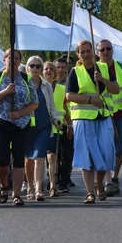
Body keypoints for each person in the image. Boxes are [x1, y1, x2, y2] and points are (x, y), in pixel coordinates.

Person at [65, 40, 119, 204]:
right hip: (83, 118)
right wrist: (89, 100)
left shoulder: (103, 68)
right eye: (83, 52)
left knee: (107, 153)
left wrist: (102, 80)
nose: (86, 54)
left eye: (89, 51)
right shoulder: (75, 72)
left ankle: (99, 182)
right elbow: (69, 96)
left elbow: (115, 89)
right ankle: (90, 192)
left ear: (93, 52)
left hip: (103, 117)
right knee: (86, 156)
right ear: (78, 54)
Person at [0, 48, 38, 206]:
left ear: (20, 61)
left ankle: (16, 194)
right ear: (4, 60)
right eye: (10, 58)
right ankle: (4, 186)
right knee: (1, 159)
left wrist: (21, 113)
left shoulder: (26, 78)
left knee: (19, 159)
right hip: (0, 122)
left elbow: (35, 102)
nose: (13, 61)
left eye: (16, 58)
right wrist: (6, 92)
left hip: (21, 124)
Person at [96, 39, 122, 196]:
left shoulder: (121, 68)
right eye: (102, 50)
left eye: (108, 49)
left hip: (119, 114)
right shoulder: (95, 69)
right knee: (106, 148)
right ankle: (107, 182)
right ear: (98, 52)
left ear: (112, 50)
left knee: (118, 149)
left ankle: (115, 176)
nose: (105, 52)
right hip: (102, 114)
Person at [24, 56, 59, 201]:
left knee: (39, 157)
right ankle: (30, 187)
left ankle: (38, 189)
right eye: (32, 66)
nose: (35, 69)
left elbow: (51, 105)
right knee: (28, 159)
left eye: (38, 66)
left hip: (44, 125)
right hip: (27, 125)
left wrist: (55, 119)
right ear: (27, 68)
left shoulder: (47, 86)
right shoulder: (23, 84)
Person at [43, 60, 69, 197]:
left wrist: (69, 125)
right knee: (39, 158)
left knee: (52, 157)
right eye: (46, 69)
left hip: (56, 127)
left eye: (50, 70)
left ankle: (53, 186)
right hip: (40, 127)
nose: (48, 71)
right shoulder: (37, 87)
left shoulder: (61, 89)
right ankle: (36, 186)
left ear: (54, 73)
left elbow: (66, 108)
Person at [55, 55, 75, 193]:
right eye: (58, 67)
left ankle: (64, 181)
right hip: (55, 125)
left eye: (63, 67)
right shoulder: (49, 84)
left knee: (67, 155)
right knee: (54, 155)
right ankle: (55, 179)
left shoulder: (72, 83)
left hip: (70, 123)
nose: (61, 70)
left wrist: (70, 125)